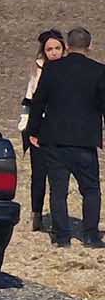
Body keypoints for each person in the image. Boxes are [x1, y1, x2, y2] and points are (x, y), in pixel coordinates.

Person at [25, 26, 105, 248]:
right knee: (90, 189)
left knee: (58, 189)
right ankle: (90, 235)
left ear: (67, 47)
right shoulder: (99, 71)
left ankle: (62, 237)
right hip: (85, 140)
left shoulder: (53, 69)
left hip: (54, 139)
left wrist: (33, 131)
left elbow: (38, 101)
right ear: (89, 46)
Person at [19, 30, 65, 231]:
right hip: (39, 126)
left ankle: (58, 217)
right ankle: (36, 213)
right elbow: (30, 100)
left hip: (62, 127)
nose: (53, 52)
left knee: (58, 175)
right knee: (39, 173)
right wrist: (29, 129)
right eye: (49, 49)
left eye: (57, 48)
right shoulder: (38, 70)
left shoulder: (69, 69)